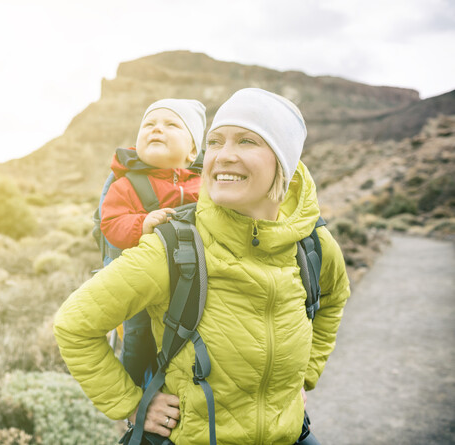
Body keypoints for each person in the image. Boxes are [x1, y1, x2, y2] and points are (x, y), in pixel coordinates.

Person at [54, 88, 350, 444]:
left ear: (283, 160)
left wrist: (305, 376)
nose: (224, 156)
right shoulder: (172, 248)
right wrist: (133, 405)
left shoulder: (312, 243)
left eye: (246, 141)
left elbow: (333, 298)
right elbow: (74, 325)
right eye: (216, 142)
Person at [100, 98, 206, 387]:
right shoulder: (126, 185)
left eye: (171, 124)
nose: (157, 129)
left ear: (193, 151)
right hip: (143, 283)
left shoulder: (206, 185)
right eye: (148, 124)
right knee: (138, 336)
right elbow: (111, 224)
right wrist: (142, 224)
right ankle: (138, 388)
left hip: (194, 281)